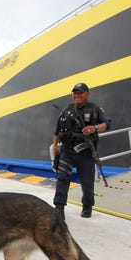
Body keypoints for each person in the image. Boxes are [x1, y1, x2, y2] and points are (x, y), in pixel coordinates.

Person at [52, 83, 110, 219]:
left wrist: (94, 128)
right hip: (67, 150)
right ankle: (59, 208)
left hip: (86, 152)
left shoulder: (95, 109)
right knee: (62, 179)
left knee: (87, 182)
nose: (77, 96)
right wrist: (55, 146)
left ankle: (87, 207)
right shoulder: (67, 110)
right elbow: (57, 130)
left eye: (80, 93)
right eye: (75, 93)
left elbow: (107, 124)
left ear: (87, 94)